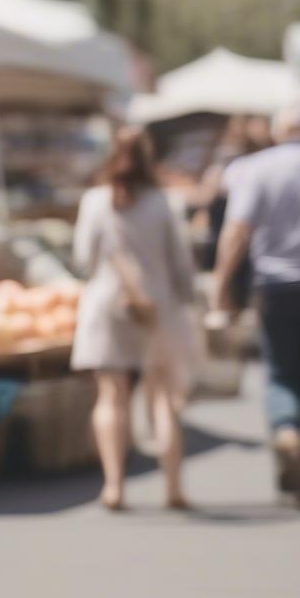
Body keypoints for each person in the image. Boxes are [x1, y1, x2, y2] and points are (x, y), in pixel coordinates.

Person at [212, 103, 300, 510]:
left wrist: (220, 284)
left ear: (280, 131)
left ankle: (286, 431)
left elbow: (237, 231)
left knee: (282, 373)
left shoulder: (259, 167)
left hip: (277, 284)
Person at [71, 127, 198, 511]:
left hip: (108, 303)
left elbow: (83, 259)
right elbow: (182, 265)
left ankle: (114, 486)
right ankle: (173, 487)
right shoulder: (165, 202)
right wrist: (188, 303)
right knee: (163, 397)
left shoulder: (95, 201)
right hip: (156, 306)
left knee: (111, 396)